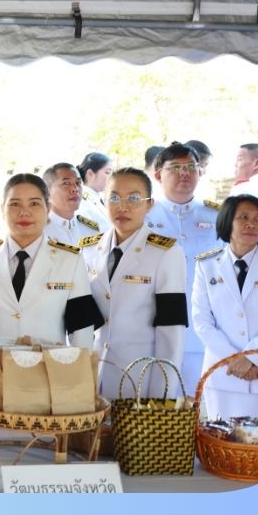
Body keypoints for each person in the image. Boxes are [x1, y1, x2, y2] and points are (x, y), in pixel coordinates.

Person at [80, 168, 188, 398]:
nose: (123, 207)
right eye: (114, 198)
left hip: (138, 380)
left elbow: (171, 330)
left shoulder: (166, 253)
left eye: (134, 198)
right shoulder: (88, 249)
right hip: (90, 375)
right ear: (103, 200)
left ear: (149, 205)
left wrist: (161, 396)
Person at [0, 173, 103, 347]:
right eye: (15, 204)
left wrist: (80, 363)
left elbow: (82, 330)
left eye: (34, 203)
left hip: (49, 363)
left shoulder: (70, 261)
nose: (24, 212)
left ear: (48, 208)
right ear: (2, 209)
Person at [145, 141, 221, 394]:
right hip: (154, 326)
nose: (185, 173)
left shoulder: (217, 217)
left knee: (198, 401)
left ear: (200, 171)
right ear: (158, 175)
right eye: (175, 167)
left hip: (203, 328)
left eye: (190, 166)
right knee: (158, 401)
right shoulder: (144, 217)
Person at [192, 194, 258, 420]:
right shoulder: (207, 265)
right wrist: (235, 360)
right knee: (221, 438)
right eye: (243, 217)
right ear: (227, 222)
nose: (252, 224)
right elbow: (202, 321)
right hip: (223, 375)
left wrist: (252, 358)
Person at [42, 162, 101, 247]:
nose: (75, 189)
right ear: (47, 193)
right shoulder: (39, 232)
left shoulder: (90, 228)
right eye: (66, 183)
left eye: (78, 183)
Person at [230, 143, 258, 246]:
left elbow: (229, 228)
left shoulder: (242, 189)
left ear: (256, 163)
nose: (235, 164)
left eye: (239, 159)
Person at [76, 151, 113, 232]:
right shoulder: (81, 202)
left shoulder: (101, 198)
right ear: (90, 174)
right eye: (107, 172)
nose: (111, 177)